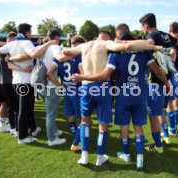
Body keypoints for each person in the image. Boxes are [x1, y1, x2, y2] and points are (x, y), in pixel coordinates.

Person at [71, 23, 169, 169]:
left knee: (123, 126)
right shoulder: (144, 51)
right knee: (138, 126)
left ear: (118, 37)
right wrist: (167, 82)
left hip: (122, 94)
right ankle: (140, 160)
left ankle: (127, 155)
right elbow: (157, 71)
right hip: (139, 94)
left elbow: (106, 75)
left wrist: (83, 77)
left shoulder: (115, 54)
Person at [0, 23, 57, 144]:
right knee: (24, 110)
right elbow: (34, 54)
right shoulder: (26, 43)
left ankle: (27, 131)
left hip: (16, 82)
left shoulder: (12, 44)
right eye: (30, 32)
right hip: (25, 82)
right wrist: (48, 43)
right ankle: (22, 137)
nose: (31, 34)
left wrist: (12, 56)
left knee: (24, 109)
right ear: (27, 32)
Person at [138, 13, 178, 152]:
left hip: (156, 81)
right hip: (167, 79)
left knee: (153, 114)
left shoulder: (151, 36)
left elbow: (148, 44)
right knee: (161, 110)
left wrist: (125, 43)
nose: (142, 30)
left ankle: (158, 145)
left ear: (146, 25)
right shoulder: (166, 35)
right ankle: (165, 135)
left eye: (142, 27)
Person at [47, 35, 86, 148]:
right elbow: (83, 75)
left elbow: (49, 73)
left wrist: (59, 86)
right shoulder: (79, 58)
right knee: (82, 118)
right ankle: (79, 138)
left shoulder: (59, 57)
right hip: (78, 91)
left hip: (67, 90)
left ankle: (75, 135)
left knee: (70, 116)